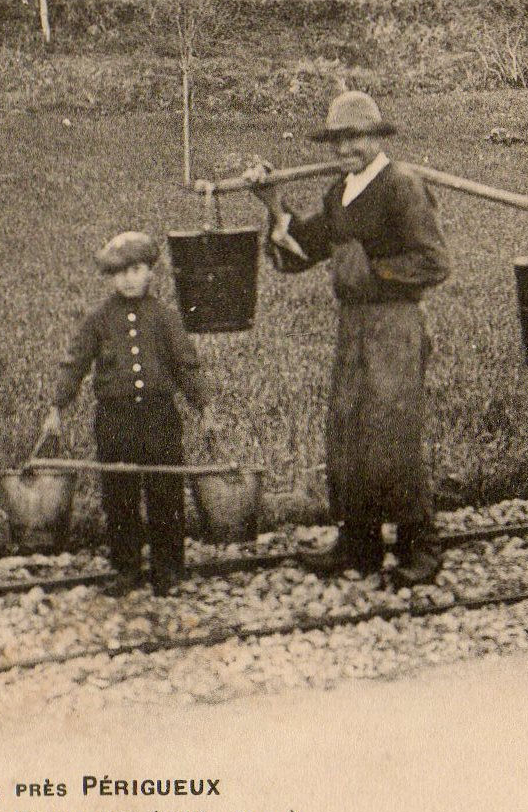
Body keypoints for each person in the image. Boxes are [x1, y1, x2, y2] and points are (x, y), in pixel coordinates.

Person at [246, 91, 451, 584]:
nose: (345, 149)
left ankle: (418, 546)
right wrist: (273, 203)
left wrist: (369, 269)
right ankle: (358, 545)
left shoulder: (403, 186)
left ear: (377, 138)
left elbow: (434, 260)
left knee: (391, 433)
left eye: (354, 138)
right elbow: (304, 248)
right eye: (337, 141)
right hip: (354, 327)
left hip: (396, 324)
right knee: (350, 428)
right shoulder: (340, 193)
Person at [38, 231, 213, 597]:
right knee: (119, 492)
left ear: (150, 271)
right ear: (110, 277)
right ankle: (126, 568)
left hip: (159, 416)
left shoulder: (164, 317)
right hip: (115, 419)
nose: (128, 279)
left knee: (165, 489)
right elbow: (74, 364)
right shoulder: (98, 319)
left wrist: (204, 407)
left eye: (135, 270)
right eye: (119, 273)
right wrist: (57, 407)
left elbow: (186, 365)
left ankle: (168, 567)